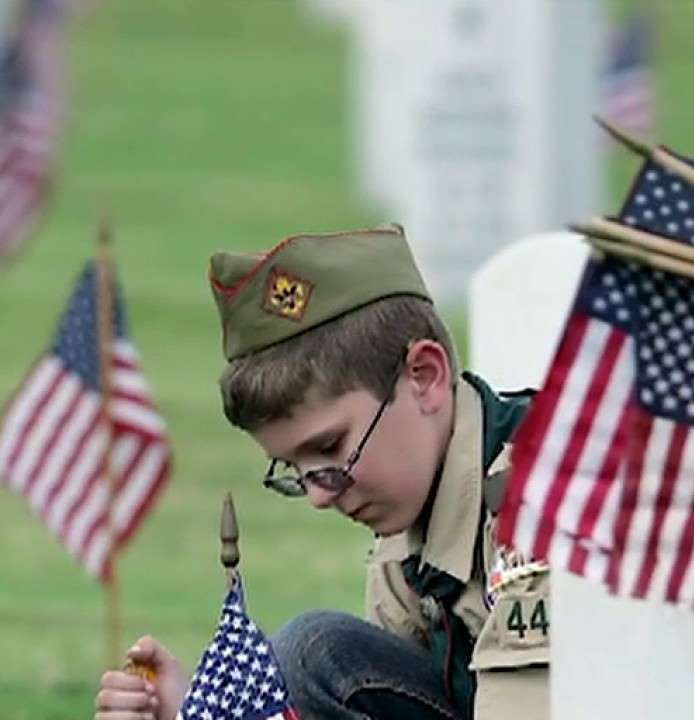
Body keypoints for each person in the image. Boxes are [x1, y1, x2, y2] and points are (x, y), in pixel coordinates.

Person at [93, 226, 549, 720]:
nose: (319, 496)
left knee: (315, 656)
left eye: (330, 447)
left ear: (425, 376)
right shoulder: (412, 516)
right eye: (295, 469)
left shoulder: (546, 497)